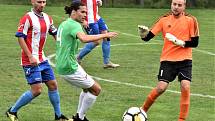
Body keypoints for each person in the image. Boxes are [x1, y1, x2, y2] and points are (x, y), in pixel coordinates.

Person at [6, 0, 72, 121]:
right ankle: (12, 111)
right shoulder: (27, 17)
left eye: (44, 2)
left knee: (53, 85)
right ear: (32, 2)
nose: (42, 4)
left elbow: (55, 33)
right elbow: (20, 37)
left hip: (42, 58)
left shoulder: (48, 18)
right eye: (39, 2)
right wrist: (30, 56)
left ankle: (58, 116)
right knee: (37, 90)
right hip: (29, 60)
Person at [55, 2, 118, 121]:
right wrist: (105, 35)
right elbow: (84, 39)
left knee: (86, 88)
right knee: (96, 89)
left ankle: (78, 116)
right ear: (73, 11)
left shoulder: (65, 23)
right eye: (82, 12)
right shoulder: (74, 25)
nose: (85, 15)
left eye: (86, 12)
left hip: (64, 64)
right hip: (69, 66)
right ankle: (80, 118)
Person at [138, 0, 199, 120]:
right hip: (167, 59)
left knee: (185, 86)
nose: (176, 7)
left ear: (184, 6)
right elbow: (147, 38)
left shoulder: (191, 20)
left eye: (179, 5)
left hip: (185, 60)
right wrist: (142, 34)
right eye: (174, 4)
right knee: (161, 87)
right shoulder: (164, 19)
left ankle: (181, 119)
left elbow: (195, 43)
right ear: (171, 4)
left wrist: (178, 42)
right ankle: (142, 110)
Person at [76, 0, 120, 69]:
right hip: (89, 20)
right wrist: (83, 20)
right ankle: (78, 58)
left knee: (107, 37)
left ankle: (107, 62)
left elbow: (97, 2)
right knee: (96, 41)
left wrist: (99, 2)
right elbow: (75, 5)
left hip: (97, 18)